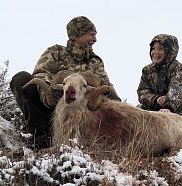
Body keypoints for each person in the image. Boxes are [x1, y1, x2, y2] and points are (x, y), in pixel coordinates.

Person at [10, 16, 120, 149]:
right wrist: (49, 95)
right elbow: (41, 73)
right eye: (91, 34)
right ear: (76, 35)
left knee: (112, 98)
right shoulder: (55, 52)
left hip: (81, 115)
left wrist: (117, 105)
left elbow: (104, 86)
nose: (95, 39)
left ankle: (103, 140)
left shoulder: (95, 61)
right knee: (21, 79)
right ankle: (40, 136)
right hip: (53, 107)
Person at [137, 34, 182, 127]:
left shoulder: (178, 68)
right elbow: (142, 92)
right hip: (159, 107)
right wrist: (155, 99)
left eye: (160, 49)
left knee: (177, 119)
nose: (155, 52)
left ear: (169, 51)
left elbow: (178, 90)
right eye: (153, 48)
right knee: (138, 112)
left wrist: (168, 107)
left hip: (181, 106)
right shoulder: (147, 70)